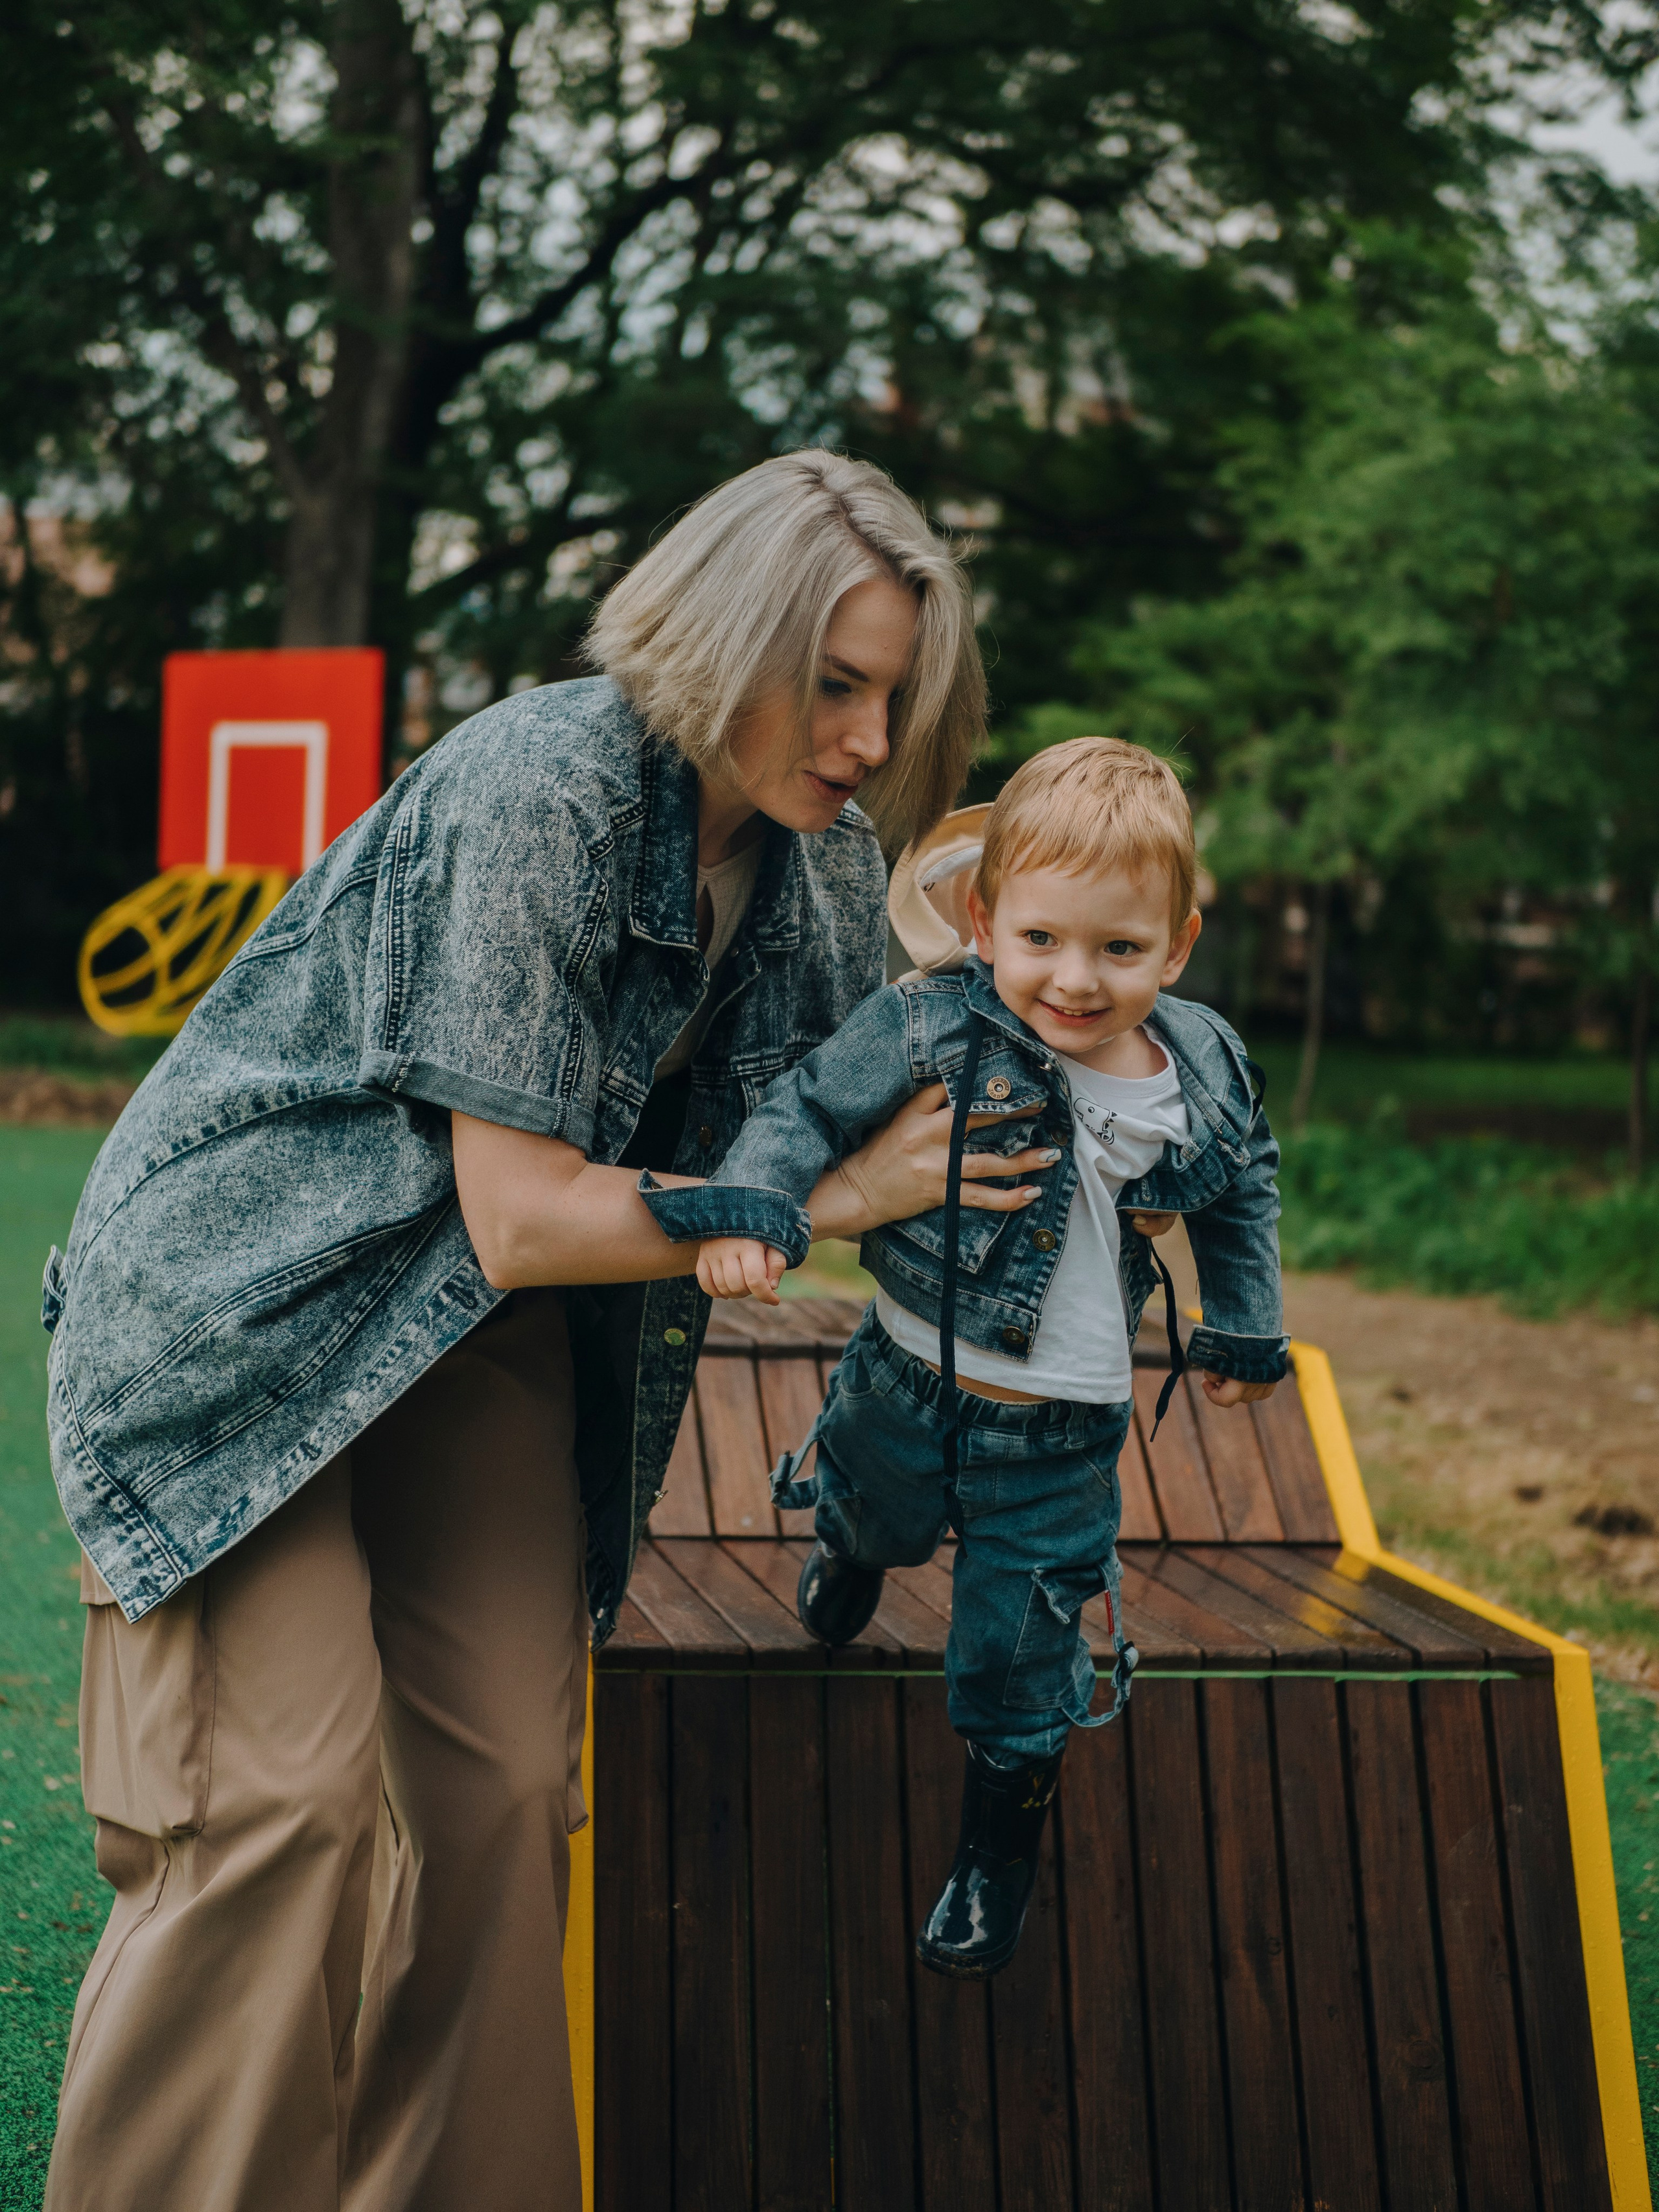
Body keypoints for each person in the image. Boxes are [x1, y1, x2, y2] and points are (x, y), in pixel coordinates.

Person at [38, 452, 1062, 2212]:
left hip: (487, 1332)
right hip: (250, 1313)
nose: (867, 737)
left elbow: (868, 1122)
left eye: (894, 697)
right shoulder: (541, 784)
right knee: (283, 1802)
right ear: (724, 641)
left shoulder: (827, 868)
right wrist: (830, 1198)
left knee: (507, 1791)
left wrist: (1080, 1074)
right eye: (835, 684)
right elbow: (523, 1207)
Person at [642, 736, 1288, 1978]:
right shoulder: (932, 1022)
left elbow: (1242, 1180)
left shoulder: (1196, 1069)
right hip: (907, 1376)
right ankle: (848, 1545)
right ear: (984, 922)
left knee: (1017, 1649)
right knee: (877, 1511)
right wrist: (751, 1211)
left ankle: (1000, 1846)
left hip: (1063, 1436)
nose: (1076, 980)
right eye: (1041, 938)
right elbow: (808, 1106)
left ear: (1178, 946)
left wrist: (1243, 1324)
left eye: (1121, 949)